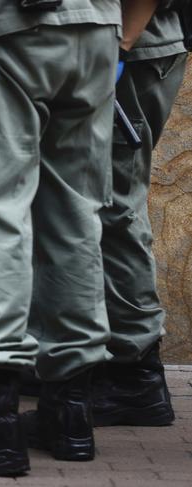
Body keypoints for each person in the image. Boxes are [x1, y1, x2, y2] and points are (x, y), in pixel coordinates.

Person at [0, 0, 161, 477]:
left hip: (6, 28)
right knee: (74, 220)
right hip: (95, 30)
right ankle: (69, 413)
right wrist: (119, 37)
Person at [93, 3, 188, 427]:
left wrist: (119, 46)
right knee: (97, 208)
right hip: (124, 45)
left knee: (114, 207)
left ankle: (136, 374)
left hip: (127, 49)